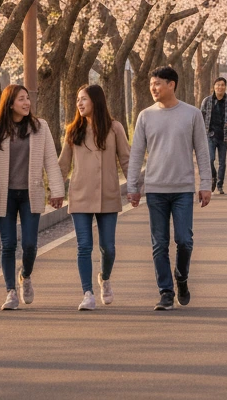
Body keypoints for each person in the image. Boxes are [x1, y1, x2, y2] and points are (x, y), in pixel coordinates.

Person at [128, 66, 211, 310]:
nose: (153, 88)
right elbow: (136, 154)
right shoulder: (145, 116)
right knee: (159, 243)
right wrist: (133, 186)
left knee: (184, 240)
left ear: (171, 84)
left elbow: (203, 153)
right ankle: (165, 291)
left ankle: (181, 277)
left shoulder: (192, 114)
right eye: (151, 84)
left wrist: (205, 184)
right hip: (155, 189)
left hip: (183, 188)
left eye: (158, 83)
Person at [0, 85, 65, 311]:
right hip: (6, 195)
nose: (26, 103)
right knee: (8, 245)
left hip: (30, 193)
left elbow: (51, 160)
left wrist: (57, 189)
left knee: (30, 244)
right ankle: (10, 292)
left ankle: (26, 275)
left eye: (27, 99)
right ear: (10, 103)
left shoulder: (40, 127)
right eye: (21, 99)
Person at [59, 84, 129, 311]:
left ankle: (105, 278)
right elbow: (63, 164)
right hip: (80, 195)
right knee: (84, 246)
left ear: (96, 101)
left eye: (84, 99)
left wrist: (135, 187)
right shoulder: (73, 130)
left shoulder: (115, 128)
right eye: (78, 100)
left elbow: (126, 159)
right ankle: (87, 293)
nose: (79, 104)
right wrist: (56, 191)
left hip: (108, 195)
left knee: (108, 247)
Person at [200, 76, 227, 194]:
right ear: (214, 87)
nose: (220, 87)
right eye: (218, 85)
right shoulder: (207, 101)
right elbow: (201, 116)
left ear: (225, 87)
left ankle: (220, 185)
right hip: (210, 134)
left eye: (222, 85)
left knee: (222, 162)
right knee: (210, 159)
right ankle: (213, 177)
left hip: (223, 135)